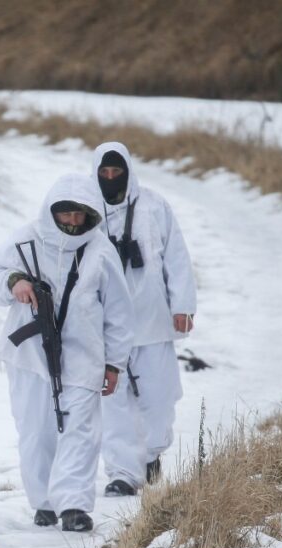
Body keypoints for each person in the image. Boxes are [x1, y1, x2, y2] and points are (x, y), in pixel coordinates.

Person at [0, 173, 133, 532]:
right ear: (53, 211)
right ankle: (45, 502)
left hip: (84, 355)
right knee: (36, 430)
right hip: (30, 355)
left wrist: (114, 363)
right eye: (66, 214)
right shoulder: (26, 238)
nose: (73, 222)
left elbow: (119, 312)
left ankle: (74, 506)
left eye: (81, 215)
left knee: (81, 431)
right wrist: (13, 282)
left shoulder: (100, 250)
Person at [92, 142, 197, 497]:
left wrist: (182, 304)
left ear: (127, 171)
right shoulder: (87, 209)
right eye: (104, 173)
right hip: (105, 326)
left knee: (159, 396)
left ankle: (151, 455)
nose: (110, 178)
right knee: (113, 400)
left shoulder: (154, 206)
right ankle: (122, 472)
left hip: (151, 321)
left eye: (116, 172)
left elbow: (177, 257)